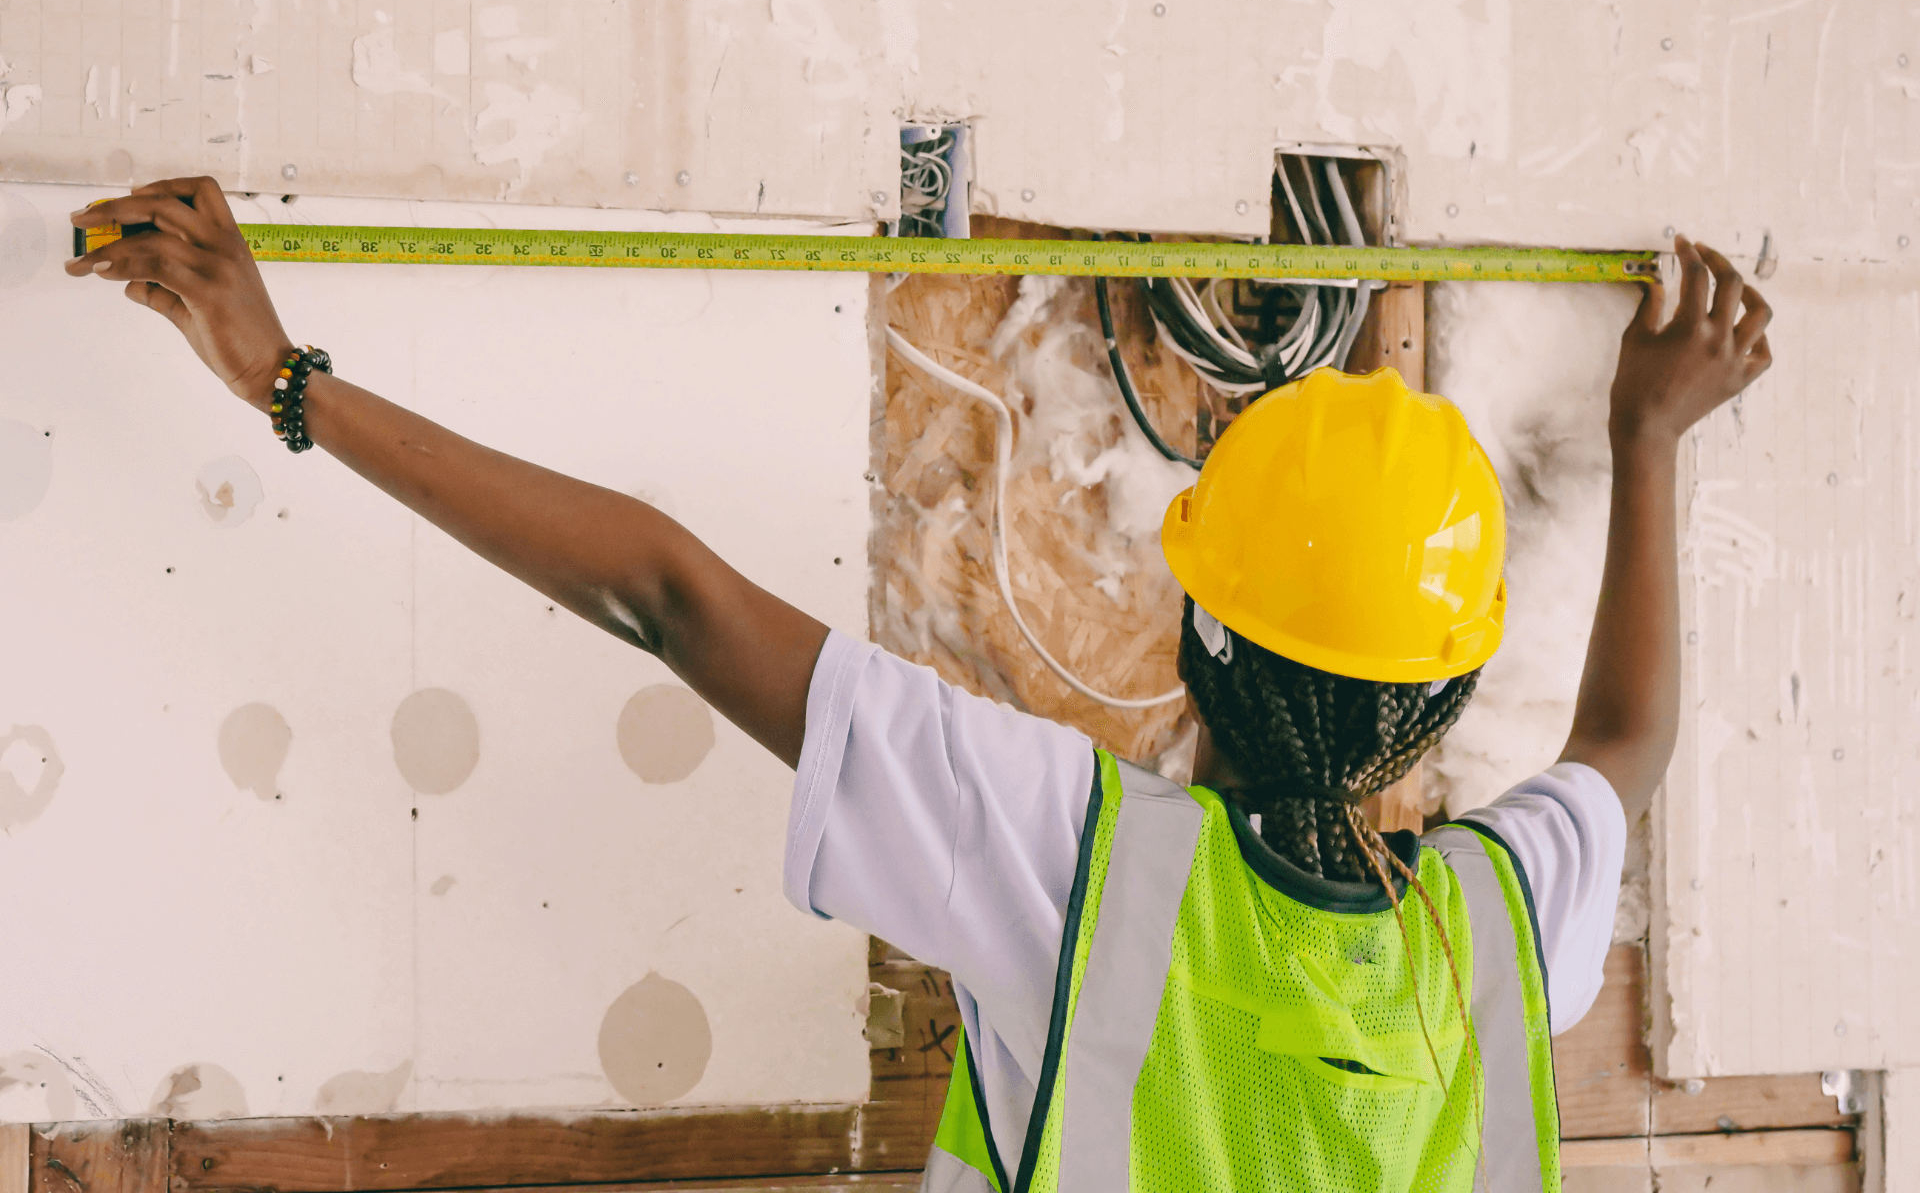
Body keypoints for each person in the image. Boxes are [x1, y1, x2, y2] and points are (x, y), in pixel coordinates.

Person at [67, 180, 1771, 1193]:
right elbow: (1630, 741)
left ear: (1205, 626)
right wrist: (1648, 426)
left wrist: (283, 379)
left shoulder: (1071, 860)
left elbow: (666, 595)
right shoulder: (1498, 931)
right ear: (1446, 685)